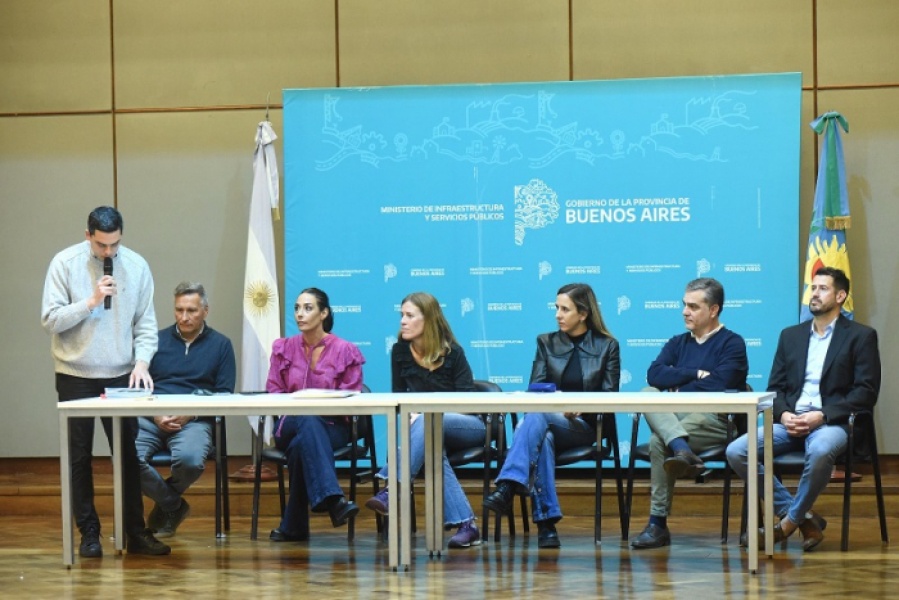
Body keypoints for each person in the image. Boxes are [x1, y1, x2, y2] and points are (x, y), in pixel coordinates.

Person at [41, 206, 170, 558]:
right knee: (79, 459)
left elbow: (145, 324)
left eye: (114, 244)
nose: (108, 252)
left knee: (128, 456)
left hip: (121, 375)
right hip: (75, 375)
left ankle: (134, 533)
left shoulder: (138, 266)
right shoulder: (64, 263)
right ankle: (90, 534)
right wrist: (91, 301)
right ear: (88, 236)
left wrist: (142, 362)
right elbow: (51, 320)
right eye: (101, 245)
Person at [727, 267, 880, 552]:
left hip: (831, 423)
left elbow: (866, 392)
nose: (815, 293)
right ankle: (804, 519)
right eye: (813, 287)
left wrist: (820, 415)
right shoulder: (791, 336)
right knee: (737, 450)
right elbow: (776, 387)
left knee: (821, 450)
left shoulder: (861, 336)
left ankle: (786, 525)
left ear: (841, 295)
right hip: (789, 422)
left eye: (823, 288)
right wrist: (785, 415)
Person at [483, 283, 620, 549]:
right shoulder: (546, 342)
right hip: (548, 421)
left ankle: (509, 484)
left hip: (584, 427)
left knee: (537, 417)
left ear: (583, 314)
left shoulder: (607, 346)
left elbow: (609, 395)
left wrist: (581, 405)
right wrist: (556, 406)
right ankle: (546, 525)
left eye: (565, 309)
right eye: (556, 308)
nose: (558, 314)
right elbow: (536, 388)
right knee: (542, 436)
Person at [630, 277, 748, 549]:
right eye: (684, 305)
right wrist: (694, 374)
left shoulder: (732, 344)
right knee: (647, 393)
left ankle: (657, 524)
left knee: (660, 440)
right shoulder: (678, 342)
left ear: (714, 310)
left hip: (715, 421)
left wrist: (678, 390)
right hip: (677, 419)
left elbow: (722, 383)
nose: (685, 311)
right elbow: (655, 374)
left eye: (693, 306)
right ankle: (681, 448)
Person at [363, 292, 485, 548]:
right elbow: (398, 399)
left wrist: (426, 412)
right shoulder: (399, 352)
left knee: (428, 419)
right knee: (431, 447)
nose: (402, 322)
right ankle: (467, 526)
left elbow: (468, 403)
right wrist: (412, 414)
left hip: (465, 426)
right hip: (427, 431)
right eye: (401, 316)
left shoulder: (454, 353)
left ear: (428, 320)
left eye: (409, 316)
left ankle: (392, 488)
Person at [135, 282, 236, 538]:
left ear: (205, 310)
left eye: (191, 310)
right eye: (179, 310)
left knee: (190, 461)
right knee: (126, 458)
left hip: (194, 419)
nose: (184, 317)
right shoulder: (154, 341)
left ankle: (166, 505)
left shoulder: (221, 345)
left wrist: (190, 412)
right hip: (152, 415)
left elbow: (224, 394)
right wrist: (155, 414)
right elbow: (137, 386)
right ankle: (173, 505)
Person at [267, 287, 366, 542]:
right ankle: (333, 498)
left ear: (324, 313)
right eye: (297, 308)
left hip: (332, 427)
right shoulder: (283, 348)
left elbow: (351, 397)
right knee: (305, 418)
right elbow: (273, 390)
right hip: (289, 424)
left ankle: (294, 526)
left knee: (303, 445)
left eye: (308, 308)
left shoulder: (345, 350)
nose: (300, 314)